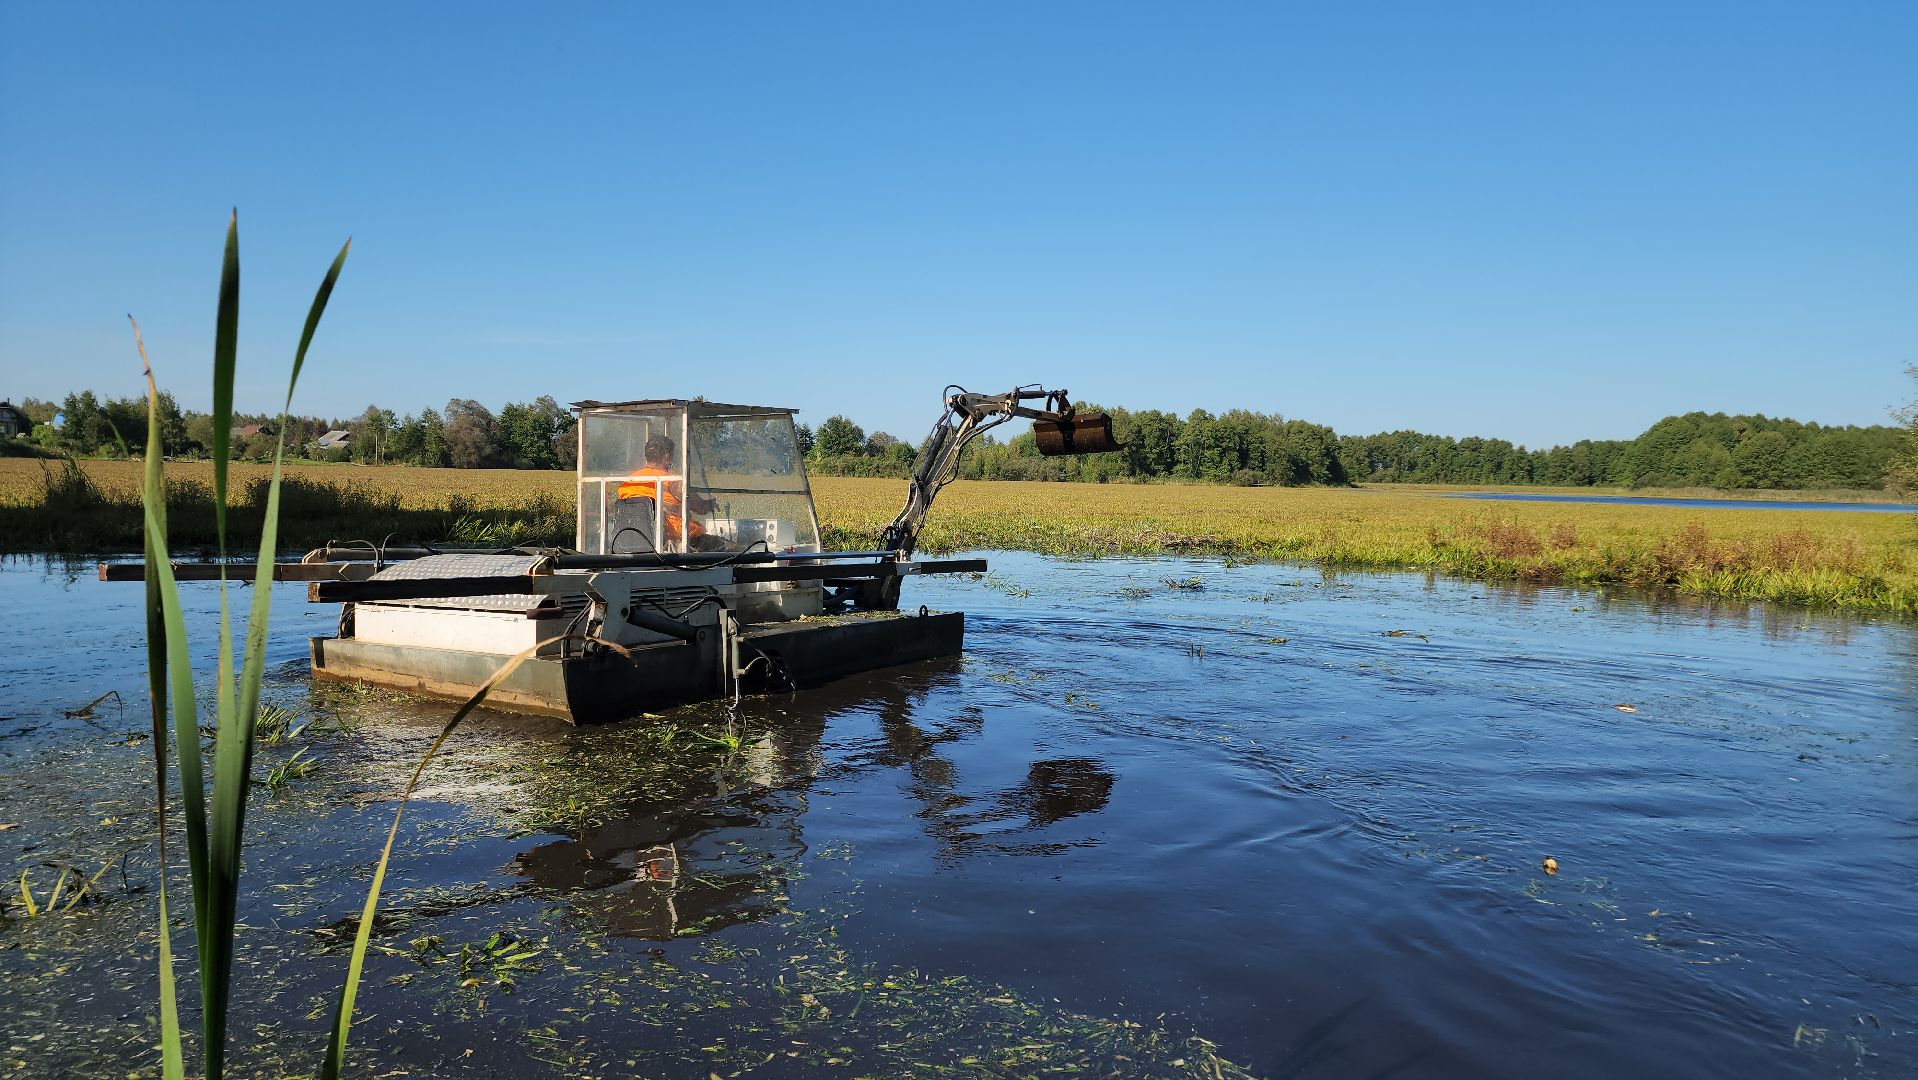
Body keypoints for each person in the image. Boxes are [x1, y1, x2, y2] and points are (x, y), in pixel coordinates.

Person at [616, 434, 716, 551]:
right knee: (728, 549)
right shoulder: (674, 482)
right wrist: (711, 504)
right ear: (667, 457)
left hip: (632, 538)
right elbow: (700, 508)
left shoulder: (630, 481)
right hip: (674, 538)